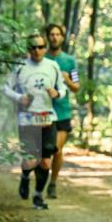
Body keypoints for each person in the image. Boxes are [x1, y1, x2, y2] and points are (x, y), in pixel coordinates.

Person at [2, 34, 67, 210]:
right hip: (27, 119)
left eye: (40, 47)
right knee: (30, 161)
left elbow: (63, 88)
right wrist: (19, 97)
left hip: (48, 118)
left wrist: (57, 93)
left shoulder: (53, 66)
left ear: (45, 48)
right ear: (28, 49)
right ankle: (24, 177)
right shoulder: (20, 67)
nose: (36, 51)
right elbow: (6, 88)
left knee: (46, 162)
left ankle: (38, 195)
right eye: (33, 47)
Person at [43, 24, 80, 198]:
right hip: (41, 111)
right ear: (47, 37)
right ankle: (40, 181)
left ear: (62, 38)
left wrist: (66, 79)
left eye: (58, 34)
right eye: (51, 34)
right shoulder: (40, 58)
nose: (55, 37)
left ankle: (53, 183)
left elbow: (76, 87)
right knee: (42, 151)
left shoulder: (70, 61)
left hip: (62, 112)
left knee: (56, 149)